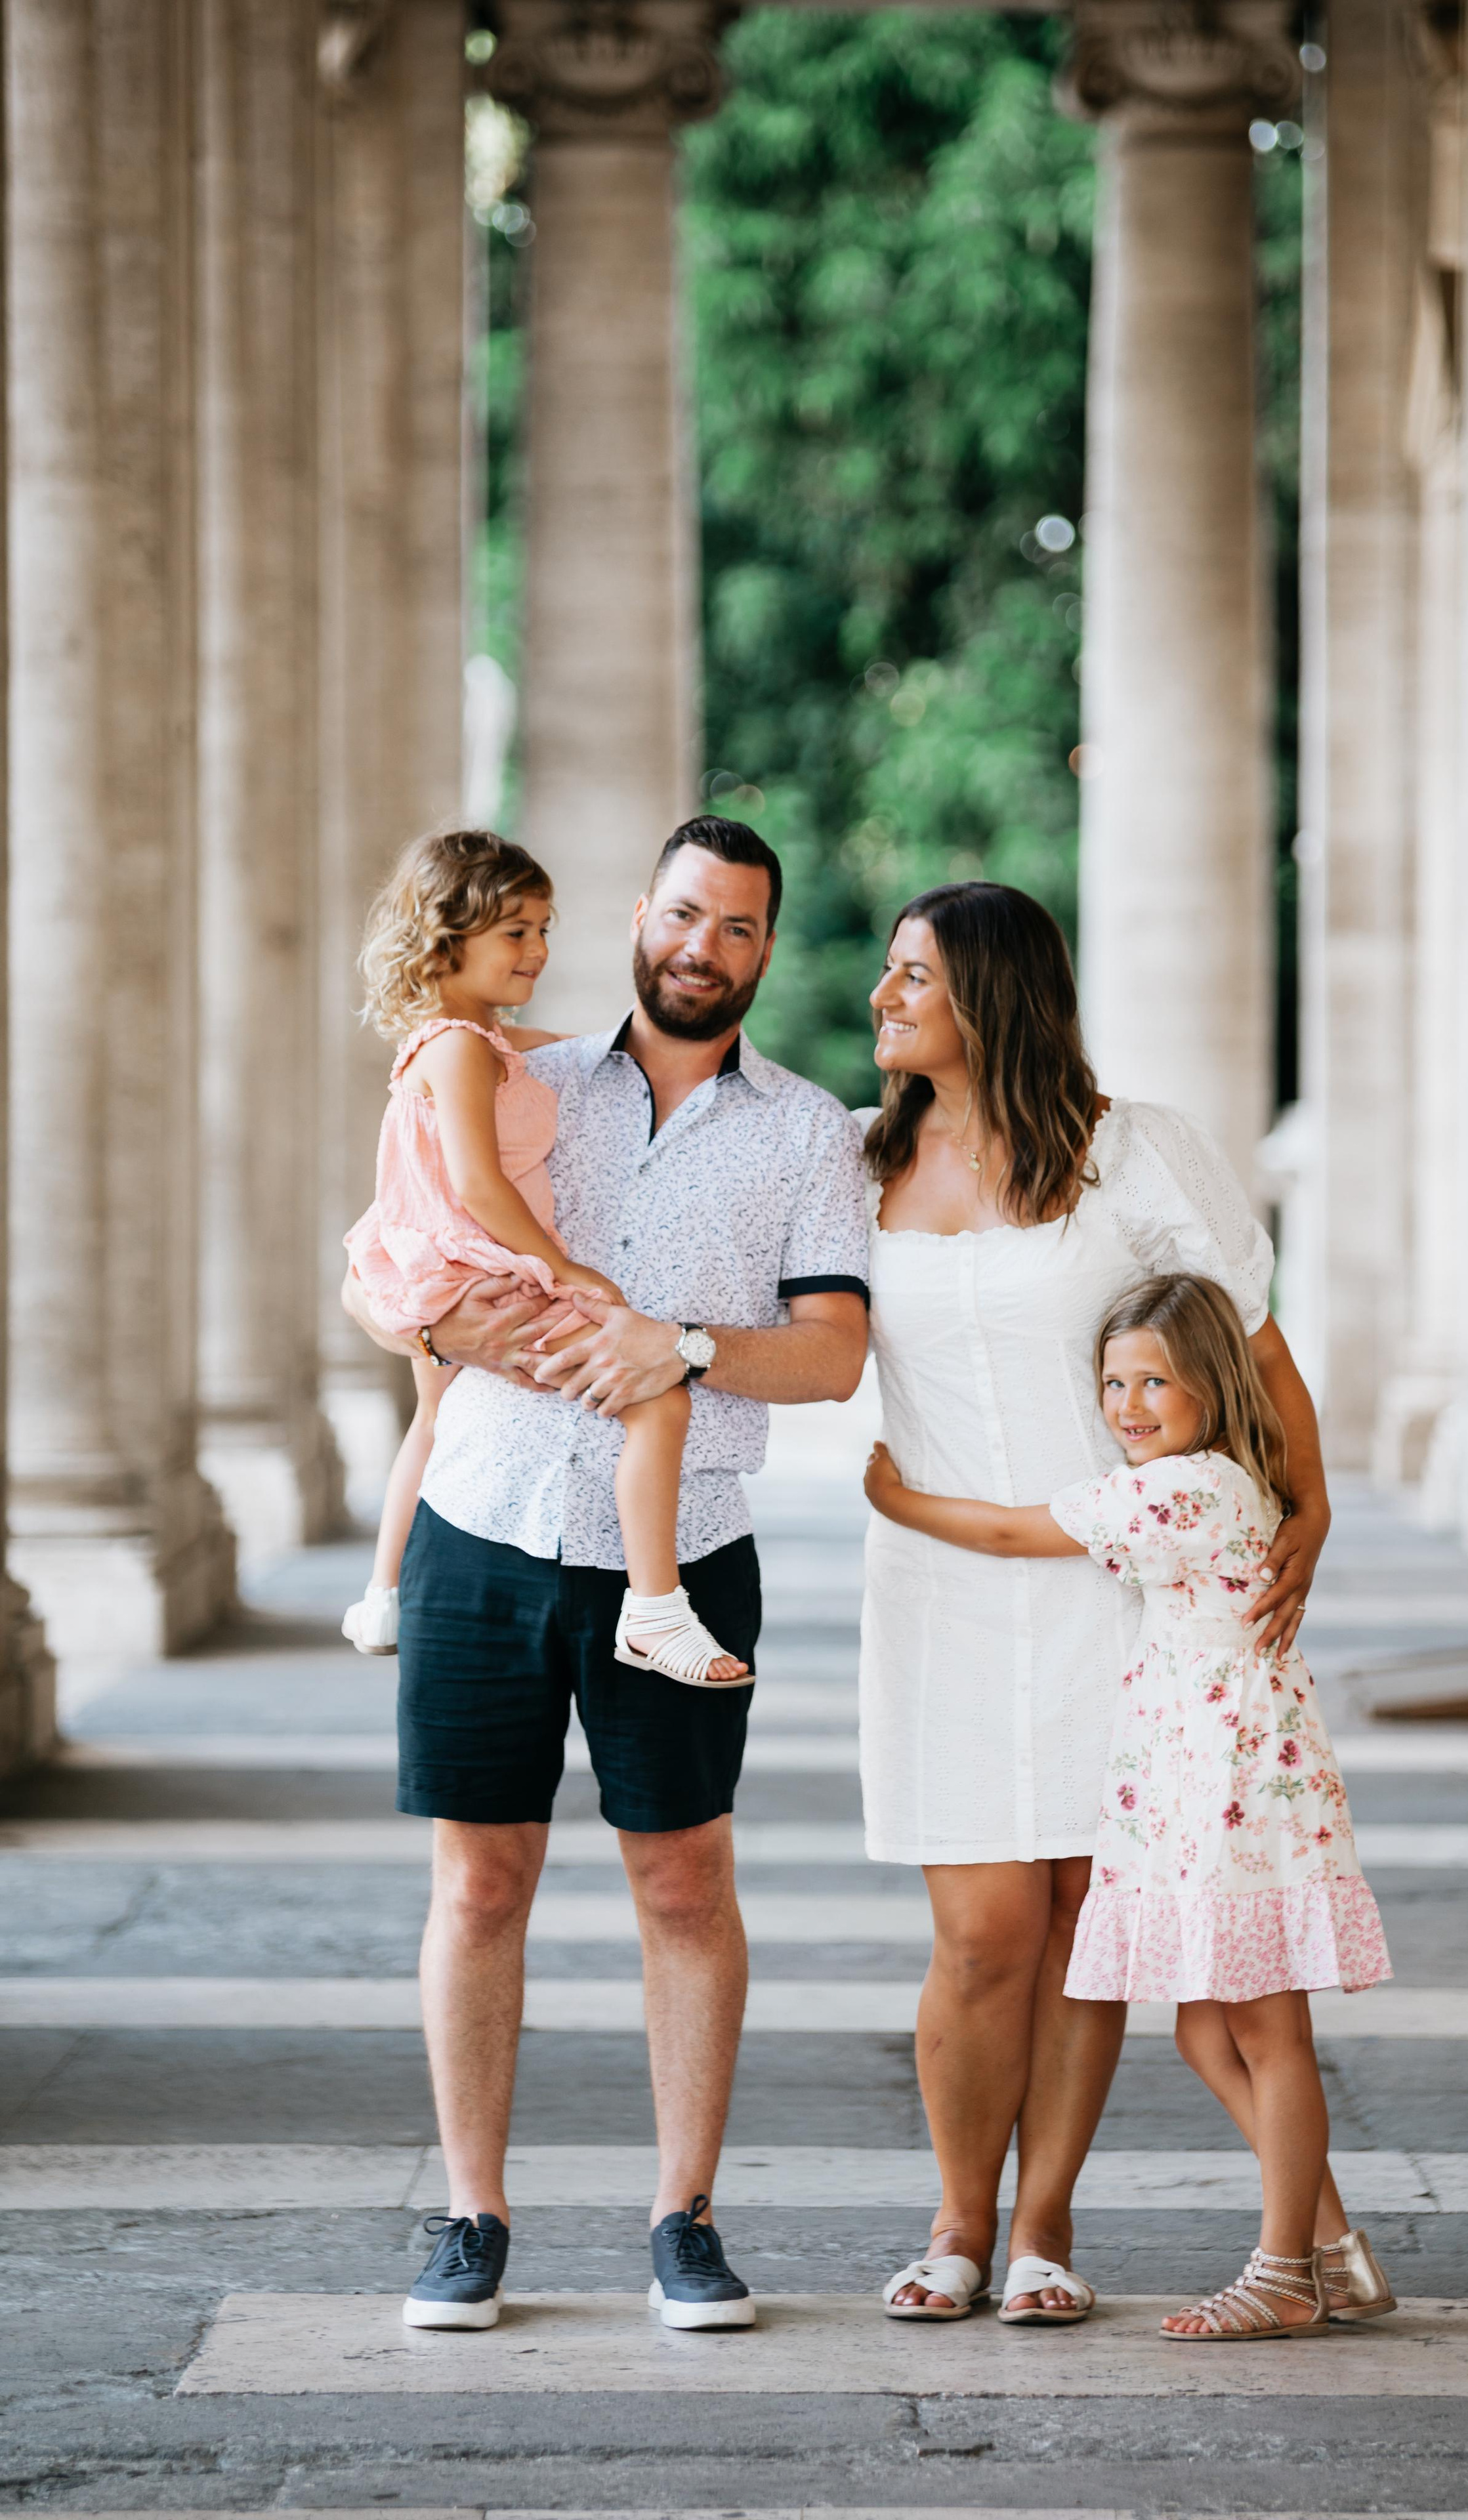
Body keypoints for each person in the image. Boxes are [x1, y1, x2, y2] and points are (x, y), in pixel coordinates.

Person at [340, 816, 870, 2333]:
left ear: (765, 950)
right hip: (486, 1520)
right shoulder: (515, 1070)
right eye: (685, 915)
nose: (703, 949)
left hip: (682, 1545)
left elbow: (831, 1357)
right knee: (478, 1878)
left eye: (740, 929)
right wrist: (449, 1330)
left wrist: (683, 1347)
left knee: (685, 1882)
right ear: (642, 918)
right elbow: (383, 1257)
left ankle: (683, 2217)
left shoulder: (809, 1132)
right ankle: (470, 2217)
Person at [857, 882, 1332, 2326]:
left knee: (1079, 1921)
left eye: (913, 976)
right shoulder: (852, 1162)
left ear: (990, 995)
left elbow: (1245, 1340)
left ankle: (1045, 2230)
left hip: (1118, 1596)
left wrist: (1304, 1507)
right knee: (979, 1931)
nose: (883, 997)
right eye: (886, 974)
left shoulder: (1131, 1152)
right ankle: (954, 2223)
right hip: (939, 1585)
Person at [864, 1270, 1395, 2341]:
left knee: (1267, 2029)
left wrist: (895, 1497)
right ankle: (1332, 2244)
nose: (1129, 1406)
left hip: (1232, 1791)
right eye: (1113, 1382)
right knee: (1209, 2033)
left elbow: (1015, 1535)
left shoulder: (1182, 1492)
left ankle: (1287, 2270)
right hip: (1216, 1780)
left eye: (1158, 1380)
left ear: (1216, 1385)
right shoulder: (1230, 1478)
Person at [342, 830, 745, 1687]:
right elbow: (480, 1186)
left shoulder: (476, 1038)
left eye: (544, 928)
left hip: (442, 1270)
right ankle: (655, 1611)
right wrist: (569, 1272)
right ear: (448, 933)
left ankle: (382, 1596)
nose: (539, 950)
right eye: (515, 932)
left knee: (435, 1419)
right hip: (485, 1269)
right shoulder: (455, 1047)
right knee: (659, 1396)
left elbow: (596, 1050)